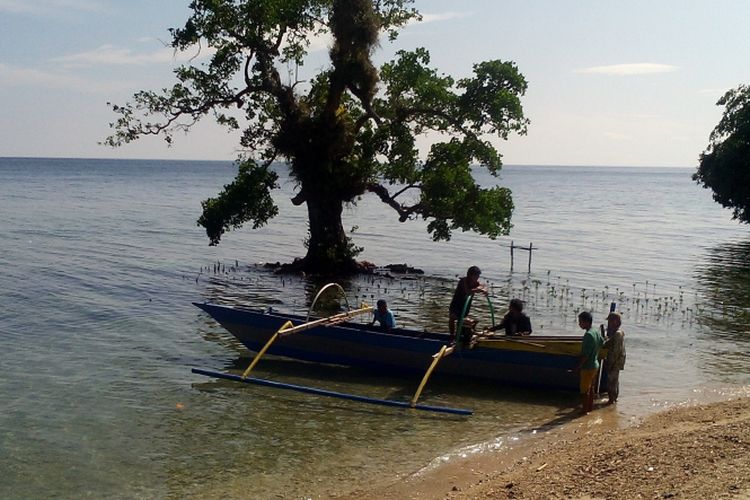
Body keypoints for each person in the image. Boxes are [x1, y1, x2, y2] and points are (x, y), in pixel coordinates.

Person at [574, 311, 604, 414]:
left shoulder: (588, 335)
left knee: (584, 391)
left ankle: (584, 410)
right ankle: (589, 408)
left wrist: (578, 367)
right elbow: (602, 342)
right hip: (595, 364)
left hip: (587, 367)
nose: (579, 324)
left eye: (580, 322)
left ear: (586, 322)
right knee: (591, 388)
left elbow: (585, 355)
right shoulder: (595, 332)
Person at [448, 265, 487, 340]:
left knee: (465, 322)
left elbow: (483, 286)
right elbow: (468, 291)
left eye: (478, 276)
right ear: (470, 275)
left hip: (465, 307)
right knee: (452, 318)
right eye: (476, 276)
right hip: (456, 305)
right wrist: (477, 290)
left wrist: (482, 289)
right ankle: (452, 336)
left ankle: (459, 335)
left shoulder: (476, 283)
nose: (477, 278)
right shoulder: (463, 281)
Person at [602, 311, 626, 404]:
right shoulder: (617, 333)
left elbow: (615, 351)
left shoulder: (617, 334)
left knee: (612, 381)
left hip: (615, 361)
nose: (609, 323)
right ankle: (613, 399)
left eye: (611, 321)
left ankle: (611, 400)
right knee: (614, 381)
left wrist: (610, 363)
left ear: (616, 322)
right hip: (617, 361)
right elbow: (608, 344)